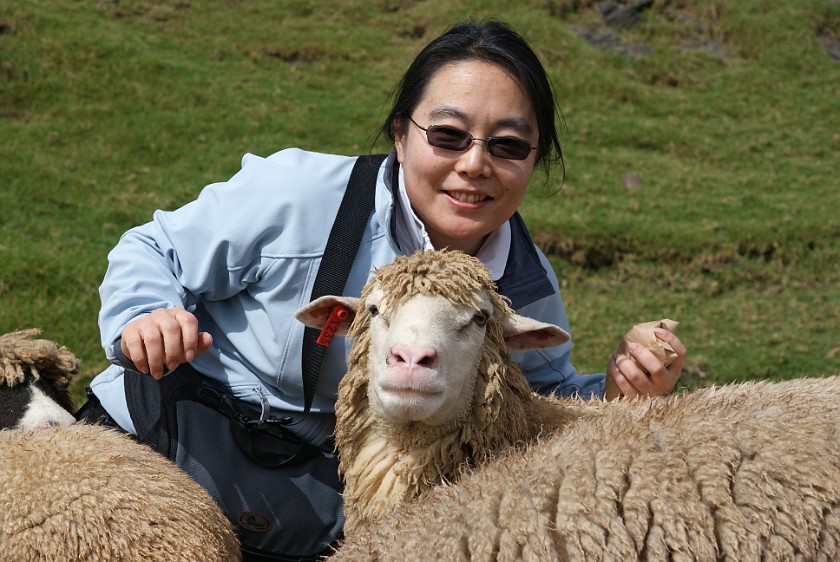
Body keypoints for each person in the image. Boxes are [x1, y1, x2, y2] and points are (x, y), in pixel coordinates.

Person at [77, 16, 685, 555]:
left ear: (534, 158)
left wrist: (618, 387)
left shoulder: (520, 282)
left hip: (327, 507)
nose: (474, 164)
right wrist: (148, 313)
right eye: (447, 135)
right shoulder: (301, 196)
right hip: (174, 444)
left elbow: (538, 395)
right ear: (401, 133)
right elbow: (156, 247)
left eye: (507, 145)